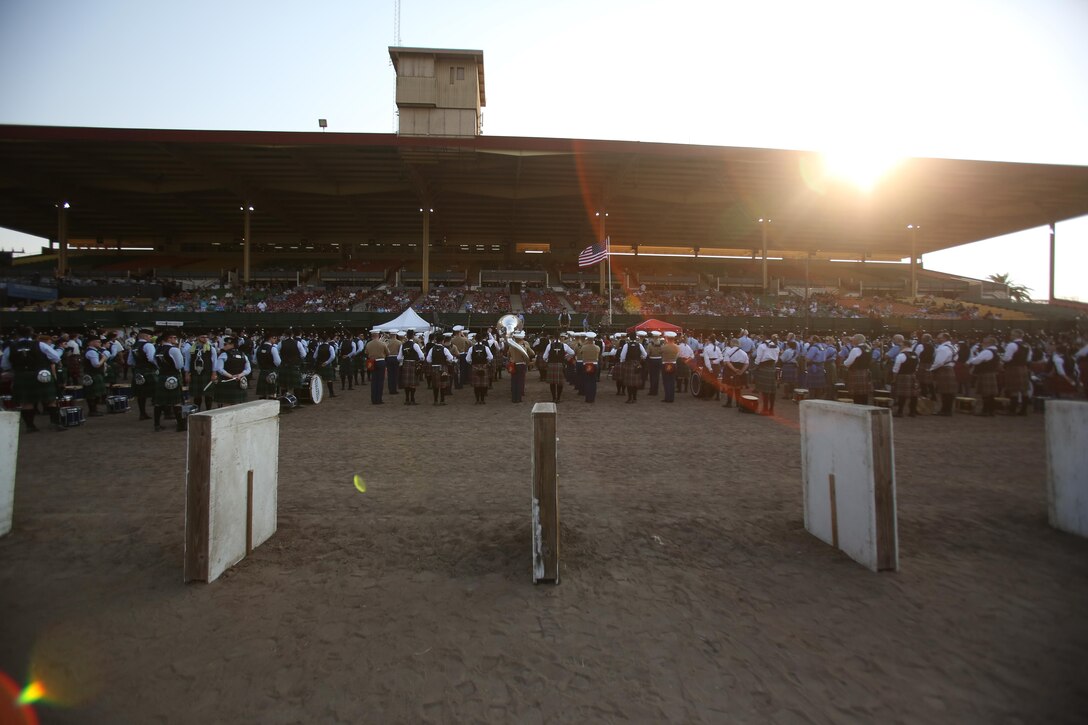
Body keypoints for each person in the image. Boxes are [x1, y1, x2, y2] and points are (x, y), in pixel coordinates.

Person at [1, 327, 67, 433]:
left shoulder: (10, 348)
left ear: (17, 335)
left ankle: (30, 426)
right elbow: (56, 358)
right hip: (41, 376)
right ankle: (55, 423)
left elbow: (5, 365)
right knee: (50, 400)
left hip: (21, 376)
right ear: (31, 334)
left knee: (26, 402)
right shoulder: (40, 345)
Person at [152, 330, 187, 431]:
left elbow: (156, 363)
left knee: (159, 402)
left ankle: (157, 425)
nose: (176, 340)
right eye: (174, 338)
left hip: (162, 376)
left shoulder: (158, 349)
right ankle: (180, 425)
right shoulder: (174, 350)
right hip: (173, 376)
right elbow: (179, 365)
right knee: (176, 402)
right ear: (169, 339)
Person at [128, 328, 158, 421]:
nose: (151, 338)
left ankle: (142, 413)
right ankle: (163, 413)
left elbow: (130, 362)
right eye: (150, 336)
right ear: (145, 336)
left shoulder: (134, 346)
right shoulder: (148, 345)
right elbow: (152, 359)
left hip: (138, 371)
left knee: (141, 394)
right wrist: (159, 366)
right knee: (157, 392)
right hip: (149, 371)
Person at [966, 337, 1001, 416]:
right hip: (991, 373)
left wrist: (972, 359)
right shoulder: (995, 351)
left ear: (989, 343)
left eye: (984, 342)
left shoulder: (987, 351)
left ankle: (985, 411)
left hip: (985, 373)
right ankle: (991, 411)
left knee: (985, 393)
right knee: (991, 394)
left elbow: (976, 361)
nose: (982, 344)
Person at [1000, 329, 1031, 415]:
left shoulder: (1012, 345)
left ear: (1015, 336)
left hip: (1013, 367)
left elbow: (1007, 358)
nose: (1010, 336)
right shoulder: (1027, 345)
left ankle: (1012, 410)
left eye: (1012, 335)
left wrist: (1001, 358)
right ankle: (1023, 411)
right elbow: (1028, 358)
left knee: (1014, 390)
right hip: (1023, 367)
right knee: (1024, 390)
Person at [214, 336, 251, 407]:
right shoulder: (243, 355)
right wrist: (240, 375)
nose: (224, 346)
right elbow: (248, 369)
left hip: (226, 382)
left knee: (226, 405)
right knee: (237, 405)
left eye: (225, 344)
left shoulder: (224, 354)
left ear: (232, 345)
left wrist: (231, 376)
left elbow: (219, 369)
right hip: (239, 382)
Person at [890, 334, 920, 418]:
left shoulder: (901, 355)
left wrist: (894, 379)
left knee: (902, 395)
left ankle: (900, 412)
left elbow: (896, 369)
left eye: (901, 345)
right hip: (912, 375)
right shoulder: (916, 355)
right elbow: (917, 367)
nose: (900, 347)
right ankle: (912, 412)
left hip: (902, 376)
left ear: (905, 345)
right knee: (914, 395)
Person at [928, 332, 958, 416]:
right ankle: (947, 410)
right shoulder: (953, 346)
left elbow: (939, 362)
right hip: (950, 368)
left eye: (939, 338)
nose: (937, 339)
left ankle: (945, 410)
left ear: (945, 338)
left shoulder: (943, 348)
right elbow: (956, 358)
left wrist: (931, 369)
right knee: (949, 392)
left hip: (943, 369)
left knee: (944, 391)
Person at [190, 332, 219, 409]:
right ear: (198, 338)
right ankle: (197, 410)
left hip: (207, 373)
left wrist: (214, 373)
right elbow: (188, 361)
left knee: (208, 395)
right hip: (195, 373)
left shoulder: (211, 348)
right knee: (197, 395)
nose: (205, 338)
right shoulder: (192, 348)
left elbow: (214, 362)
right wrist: (187, 373)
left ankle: (208, 410)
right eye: (203, 337)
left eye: (206, 337)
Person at [752, 335, 780, 415]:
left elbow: (758, 358)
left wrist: (756, 365)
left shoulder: (762, 346)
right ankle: (771, 410)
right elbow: (776, 360)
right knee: (772, 391)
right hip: (772, 368)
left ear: (764, 338)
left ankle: (765, 409)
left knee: (765, 391)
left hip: (763, 367)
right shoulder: (776, 347)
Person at [842, 333, 874, 406]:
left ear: (857, 340)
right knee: (864, 394)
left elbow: (848, 362)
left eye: (853, 340)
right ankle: (865, 408)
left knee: (857, 394)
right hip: (866, 371)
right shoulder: (868, 348)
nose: (852, 341)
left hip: (856, 372)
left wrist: (844, 363)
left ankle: (858, 409)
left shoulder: (856, 349)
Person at [81, 335, 108, 417]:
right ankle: (92, 411)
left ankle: (94, 410)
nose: (100, 343)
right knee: (92, 394)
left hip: (95, 374)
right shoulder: (91, 352)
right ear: (91, 342)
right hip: (93, 374)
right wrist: (104, 358)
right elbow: (96, 364)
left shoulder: (95, 351)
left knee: (95, 393)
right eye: (98, 341)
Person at [426, 335, 457, 405]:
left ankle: (435, 400)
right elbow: (451, 359)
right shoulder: (444, 349)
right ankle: (442, 400)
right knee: (443, 384)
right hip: (443, 367)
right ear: (442, 341)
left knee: (435, 385)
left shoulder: (432, 349)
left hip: (434, 368)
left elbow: (428, 360)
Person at [543, 333, 574, 403]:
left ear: (553, 338)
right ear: (560, 338)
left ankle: (554, 398)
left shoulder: (549, 345)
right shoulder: (564, 345)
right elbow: (572, 352)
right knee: (560, 383)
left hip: (551, 365)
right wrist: (566, 357)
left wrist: (549, 361)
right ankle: (558, 398)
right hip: (560, 365)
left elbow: (544, 357)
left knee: (552, 383)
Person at [720, 338, 750, 409]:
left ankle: (729, 403)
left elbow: (727, 362)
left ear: (732, 343)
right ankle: (738, 403)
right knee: (738, 388)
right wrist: (741, 371)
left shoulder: (729, 352)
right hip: (740, 370)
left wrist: (734, 369)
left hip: (730, 370)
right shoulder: (744, 353)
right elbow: (747, 363)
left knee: (730, 387)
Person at [397, 330, 425, 405]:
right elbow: (422, 356)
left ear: (406, 336)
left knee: (406, 383)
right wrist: (419, 361)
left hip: (406, 364)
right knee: (412, 383)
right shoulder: (415, 345)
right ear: (413, 336)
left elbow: (399, 357)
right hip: (413, 364)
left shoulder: (402, 345)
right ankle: (412, 399)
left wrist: (404, 360)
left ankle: (407, 399)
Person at [506, 330, 534, 403]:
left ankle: (514, 398)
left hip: (513, 364)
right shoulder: (524, 346)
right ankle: (518, 398)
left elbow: (508, 354)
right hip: (521, 364)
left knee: (514, 381)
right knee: (520, 381)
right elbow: (532, 353)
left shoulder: (511, 345)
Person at [619, 333, 646, 404]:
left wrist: (623, 362)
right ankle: (634, 398)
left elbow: (622, 356)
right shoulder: (639, 345)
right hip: (637, 364)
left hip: (628, 364)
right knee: (635, 383)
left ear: (629, 338)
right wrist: (640, 359)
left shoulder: (626, 345)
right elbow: (645, 355)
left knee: (629, 383)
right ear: (636, 338)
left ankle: (629, 398)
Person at [469, 332, 494, 404]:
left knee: (476, 385)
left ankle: (477, 400)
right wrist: (486, 361)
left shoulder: (471, 348)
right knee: (483, 384)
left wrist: (473, 363)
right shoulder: (485, 348)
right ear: (482, 339)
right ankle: (482, 400)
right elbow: (491, 357)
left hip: (475, 366)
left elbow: (468, 359)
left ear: (475, 339)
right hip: (484, 366)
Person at [365, 330, 388, 404]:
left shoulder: (368, 344)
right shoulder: (382, 343)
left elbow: (366, 352)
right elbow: (388, 352)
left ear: (372, 335)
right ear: (378, 335)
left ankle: (373, 399)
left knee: (374, 380)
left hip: (372, 361)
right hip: (381, 361)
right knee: (380, 381)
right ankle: (379, 399)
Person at [581, 331, 601, 403]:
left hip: (586, 364)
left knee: (587, 381)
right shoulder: (597, 347)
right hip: (594, 364)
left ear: (587, 339)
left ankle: (587, 397)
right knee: (593, 381)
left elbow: (581, 352)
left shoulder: (584, 347)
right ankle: (592, 398)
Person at [659, 331, 680, 403]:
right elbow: (677, 356)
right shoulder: (677, 347)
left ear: (667, 338)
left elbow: (660, 353)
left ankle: (667, 397)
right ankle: (671, 397)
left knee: (666, 381)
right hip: (673, 364)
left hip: (665, 364)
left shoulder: (664, 347)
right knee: (672, 381)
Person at [645, 331, 664, 396]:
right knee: (657, 375)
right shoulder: (661, 344)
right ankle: (656, 391)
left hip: (652, 360)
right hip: (659, 360)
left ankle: (652, 390)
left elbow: (647, 353)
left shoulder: (650, 344)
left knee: (652, 376)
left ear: (653, 336)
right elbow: (662, 352)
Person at [386, 330, 402, 396]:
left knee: (390, 375)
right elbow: (400, 352)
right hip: (396, 358)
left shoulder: (387, 342)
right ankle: (394, 389)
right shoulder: (399, 342)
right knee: (395, 374)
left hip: (389, 358)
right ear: (396, 335)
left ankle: (390, 389)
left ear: (390, 334)